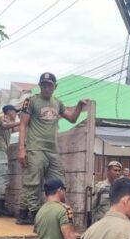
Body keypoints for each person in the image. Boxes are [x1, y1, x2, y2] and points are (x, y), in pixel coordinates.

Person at [16, 72, 88, 225]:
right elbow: (22, 124)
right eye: (43, 84)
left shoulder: (58, 103)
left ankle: (52, 213)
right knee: (33, 182)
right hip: (35, 147)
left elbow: (72, 118)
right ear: (40, 86)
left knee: (58, 182)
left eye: (49, 85)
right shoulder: (31, 101)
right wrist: (21, 149)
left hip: (52, 150)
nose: (46, 87)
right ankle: (35, 216)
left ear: (55, 86)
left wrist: (80, 106)